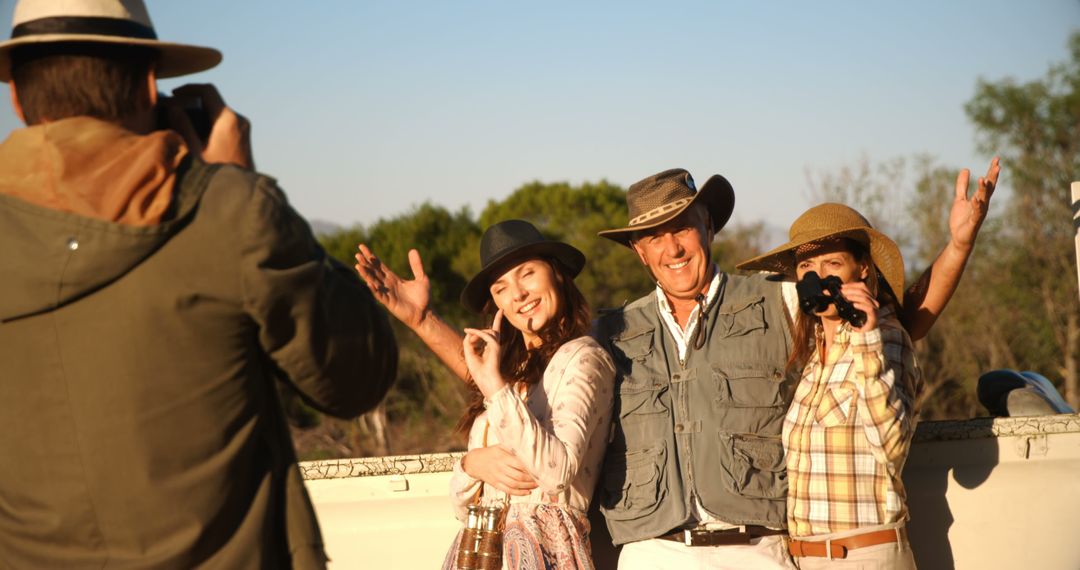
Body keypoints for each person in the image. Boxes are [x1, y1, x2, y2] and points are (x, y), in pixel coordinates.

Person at [0, 1, 397, 568]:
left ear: (16, 98)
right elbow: (360, 375)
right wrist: (241, 182)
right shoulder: (230, 214)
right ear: (149, 86)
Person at [590, 164, 997, 569]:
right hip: (654, 556)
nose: (673, 248)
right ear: (639, 252)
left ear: (709, 227)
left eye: (682, 228)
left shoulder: (783, 301)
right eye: (655, 237)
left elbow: (904, 316)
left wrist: (958, 246)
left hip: (758, 554)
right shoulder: (609, 333)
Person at [357, 220, 615, 568]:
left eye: (527, 274)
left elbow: (556, 473)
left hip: (545, 555)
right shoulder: (511, 374)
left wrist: (494, 386)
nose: (518, 294)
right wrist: (471, 465)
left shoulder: (582, 357)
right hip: (480, 552)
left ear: (556, 274)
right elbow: (463, 507)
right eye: (501, 288)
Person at [737, 204, 922, 568]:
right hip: (805, 558)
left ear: (863, 267)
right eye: (807, 267)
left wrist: (867, 338)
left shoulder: (886, 338)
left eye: (832, 265)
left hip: (862, 556)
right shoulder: (811, 355)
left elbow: (892, 446)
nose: (818, 277)